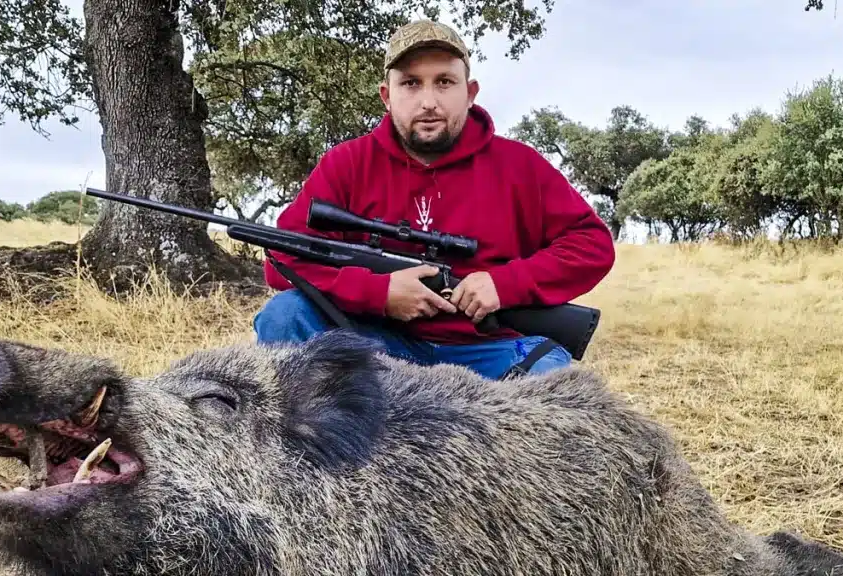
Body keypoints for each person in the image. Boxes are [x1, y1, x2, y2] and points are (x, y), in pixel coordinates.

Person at [252, 18, 616, 380]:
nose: (428, 102)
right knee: (284, 317)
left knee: (553, 384)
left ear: (470, 92)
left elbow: (592, 244)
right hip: (375, 343)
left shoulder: (521, 166)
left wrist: (503, 285)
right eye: (410, 83)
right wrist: (379, 293)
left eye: (444, 82)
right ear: (386, 95)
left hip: (491, 350)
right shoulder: (346, 164)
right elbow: (283, 258)